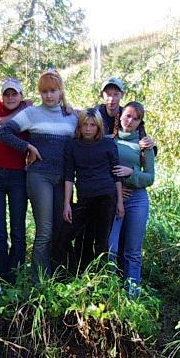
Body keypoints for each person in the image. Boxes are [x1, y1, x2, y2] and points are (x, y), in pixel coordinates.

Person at [0, 69, 78, 277]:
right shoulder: (32, 113)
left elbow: (93, 131)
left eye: (53, 90)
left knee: (60, 228)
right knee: (45, 230)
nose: (49, 95)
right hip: (39, 176)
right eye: (44, 91)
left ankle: (57, 275)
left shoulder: (72, 116)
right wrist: (27, 147)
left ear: (61, 91)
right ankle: (39, 280)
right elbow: (2, 132)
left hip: (63, 179)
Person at [59, 109, 124, 273]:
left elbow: (116, 174)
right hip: (84, 199)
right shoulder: (73, 145)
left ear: (98, 127)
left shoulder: (108, 144)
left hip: (106, 197)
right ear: (79, 127)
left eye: (92, 125)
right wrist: (67, 204)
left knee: (101, 243)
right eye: (85, 125)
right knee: (65, 237)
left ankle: (100, 281)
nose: (88, 129)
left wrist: (120, 203)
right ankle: (74, 274)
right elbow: (69, 175)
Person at [0, 79, 30, 291]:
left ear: (20, 95)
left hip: (19, 176)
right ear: (0, 95)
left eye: (14, 94)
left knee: (18, 230)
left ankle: (14, 279)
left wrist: (15, 114)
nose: (10, 98)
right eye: (6, 94)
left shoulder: (29, 112)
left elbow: (45, 105)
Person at [108, 102, 156, 296]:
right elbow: (98, 170)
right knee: (110, 248)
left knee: (133, 251)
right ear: (120, 116)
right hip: (112, 200)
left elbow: (150, 177)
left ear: (140, 122)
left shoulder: (145, 146)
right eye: (128, 115)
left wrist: (131, 173)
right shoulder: (108, 141)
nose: (130, 121)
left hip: (137, 199)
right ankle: (109, 293)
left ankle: (132, 297)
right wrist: (116, 189)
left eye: (135, 118)